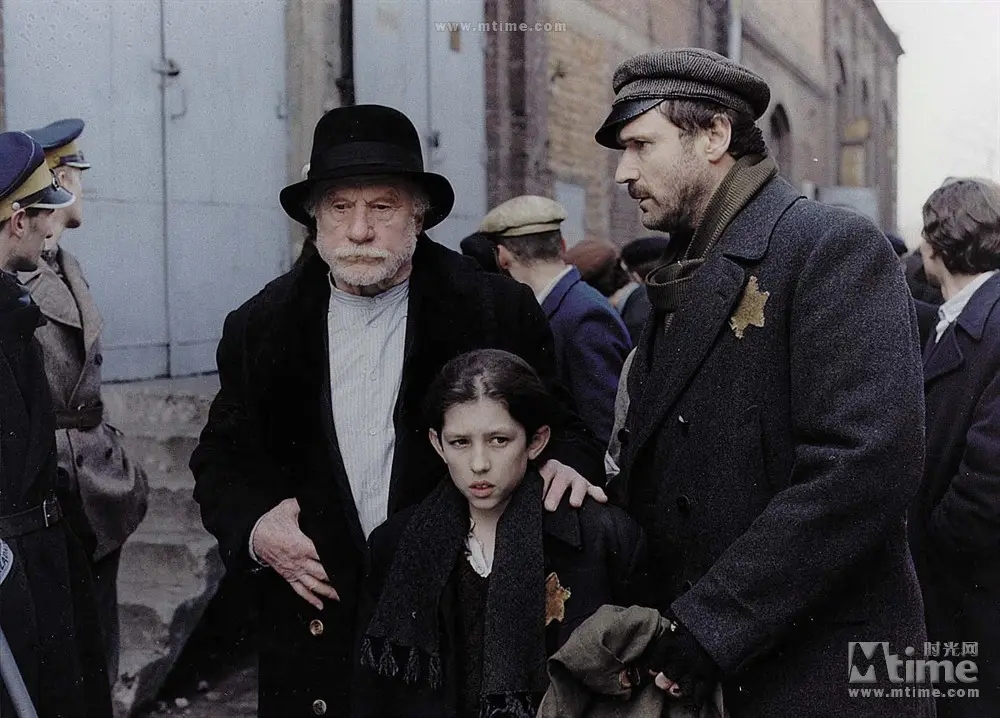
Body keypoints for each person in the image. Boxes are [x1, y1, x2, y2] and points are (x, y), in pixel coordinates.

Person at [190, 105, 606, 718]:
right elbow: (220, 461)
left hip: (452, 626)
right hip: (315, 630)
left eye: (382, 207)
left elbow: (564, 428)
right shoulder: (260, 325)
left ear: (419, 214)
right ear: (314, 218)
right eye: (340, 208)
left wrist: (565, 462)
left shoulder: (493, 310)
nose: (359, 230)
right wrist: (256, 527)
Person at [596, 48, 930, 716]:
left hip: (818, 676)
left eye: (640, 145)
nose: (623, 171)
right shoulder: (687, 268)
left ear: (715, 135)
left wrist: (715, 621)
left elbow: (865, 465)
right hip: (713, 670)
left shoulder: (826, 246)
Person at [353, 349, 646, 718]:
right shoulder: (395, 545)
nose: (479, 464)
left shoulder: (602, 537)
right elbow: (372, 696)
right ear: (437, 444)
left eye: (499, 440)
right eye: (460, 442)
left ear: (535, 441)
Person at [19, 118, 149, 684]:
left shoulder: (66, 265)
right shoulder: (19, 273)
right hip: (54, 480)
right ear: (62, 181)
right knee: (66, 659)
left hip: (96, 479)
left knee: (97, 647)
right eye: (77, 174)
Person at [0, 130, 112, 717]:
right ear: (19, 220)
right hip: (15, 556)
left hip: (50, 540)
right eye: (42, 214)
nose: (51, 229)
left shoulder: (13, 305)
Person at [909, 178, 1000, 718]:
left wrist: (923, 543)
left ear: (936, 243)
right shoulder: (960, 318)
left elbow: (987, 491)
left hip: (966, 595)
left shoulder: (990, 324)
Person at [481, 196, 631, 447]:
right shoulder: (567, 306)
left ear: (502, 256)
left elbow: (606, 430)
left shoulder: (583, 315)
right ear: (562, 245)